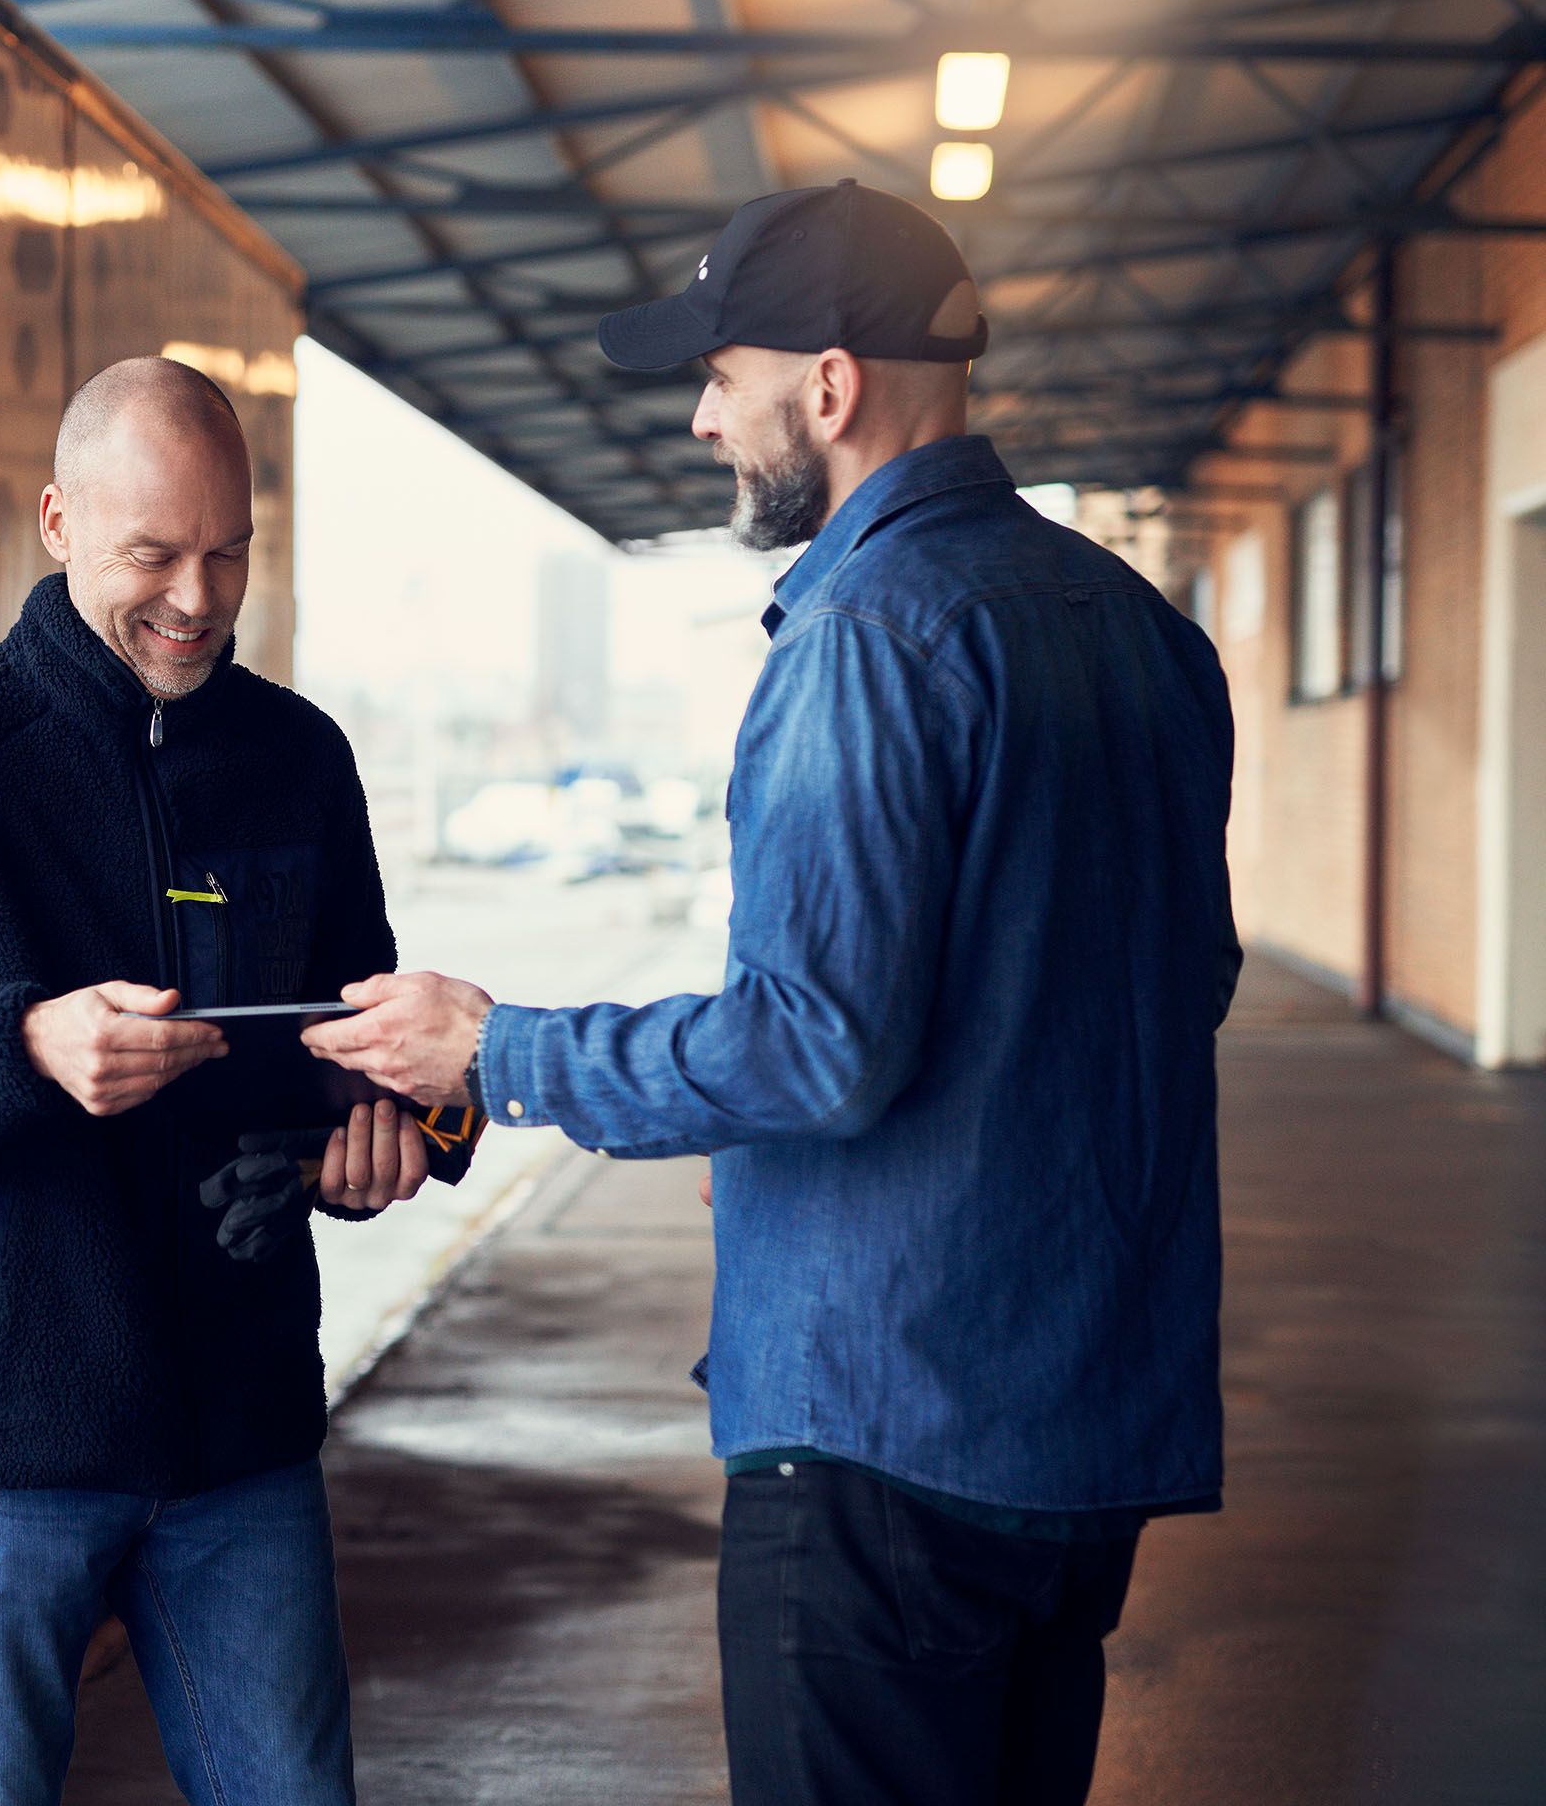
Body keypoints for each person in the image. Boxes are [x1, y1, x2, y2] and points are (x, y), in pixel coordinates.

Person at [307, 180, 1240, 1806]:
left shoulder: (868, 635)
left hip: (889, 1423)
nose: (698, 417)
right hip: (1091, 1427)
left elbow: (814, 1044)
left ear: (829, 384)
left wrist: (496, 1049)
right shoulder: (1148, 636)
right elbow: (1192, 977)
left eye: (720, 376)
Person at [0, 356, 432, 1805]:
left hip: (242, 1441)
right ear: (59, 524)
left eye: (230, 551)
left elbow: (361, 1042)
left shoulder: (299, 762)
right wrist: (21, 1046)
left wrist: (394, 1139)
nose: (199, 596)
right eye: (154, 554)